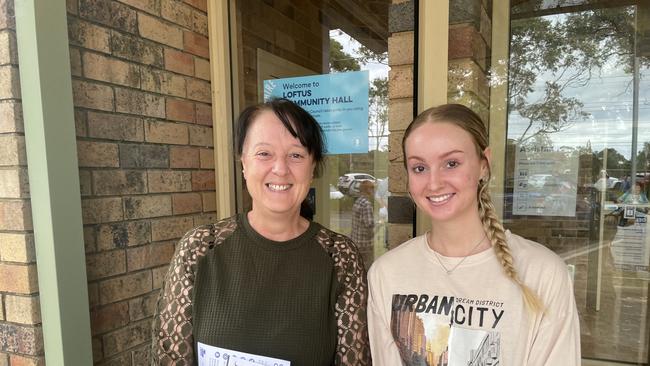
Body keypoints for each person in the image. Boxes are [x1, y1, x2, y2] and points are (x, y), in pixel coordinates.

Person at [151, 98, 371, 365]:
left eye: (296, 155)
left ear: (312, 167)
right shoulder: (200, 248)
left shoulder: (339, 257)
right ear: (244, 162)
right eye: (264, 153)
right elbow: (169, 357)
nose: (280, 169)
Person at [367, 104, 580, 365]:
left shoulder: (542, 273)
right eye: (419, 168)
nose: (434, 183)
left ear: (484, 164)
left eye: (451, 163)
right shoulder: (386, 273)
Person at [351, 180, 375, 267]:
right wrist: (379, 223)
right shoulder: (366, 204)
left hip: (356, 240)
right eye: (372, 189)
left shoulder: (357, 202)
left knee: (358, 266)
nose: (373, 191)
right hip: (365, 243)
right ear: (368, 190)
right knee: (367, 267)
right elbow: (369, 224)